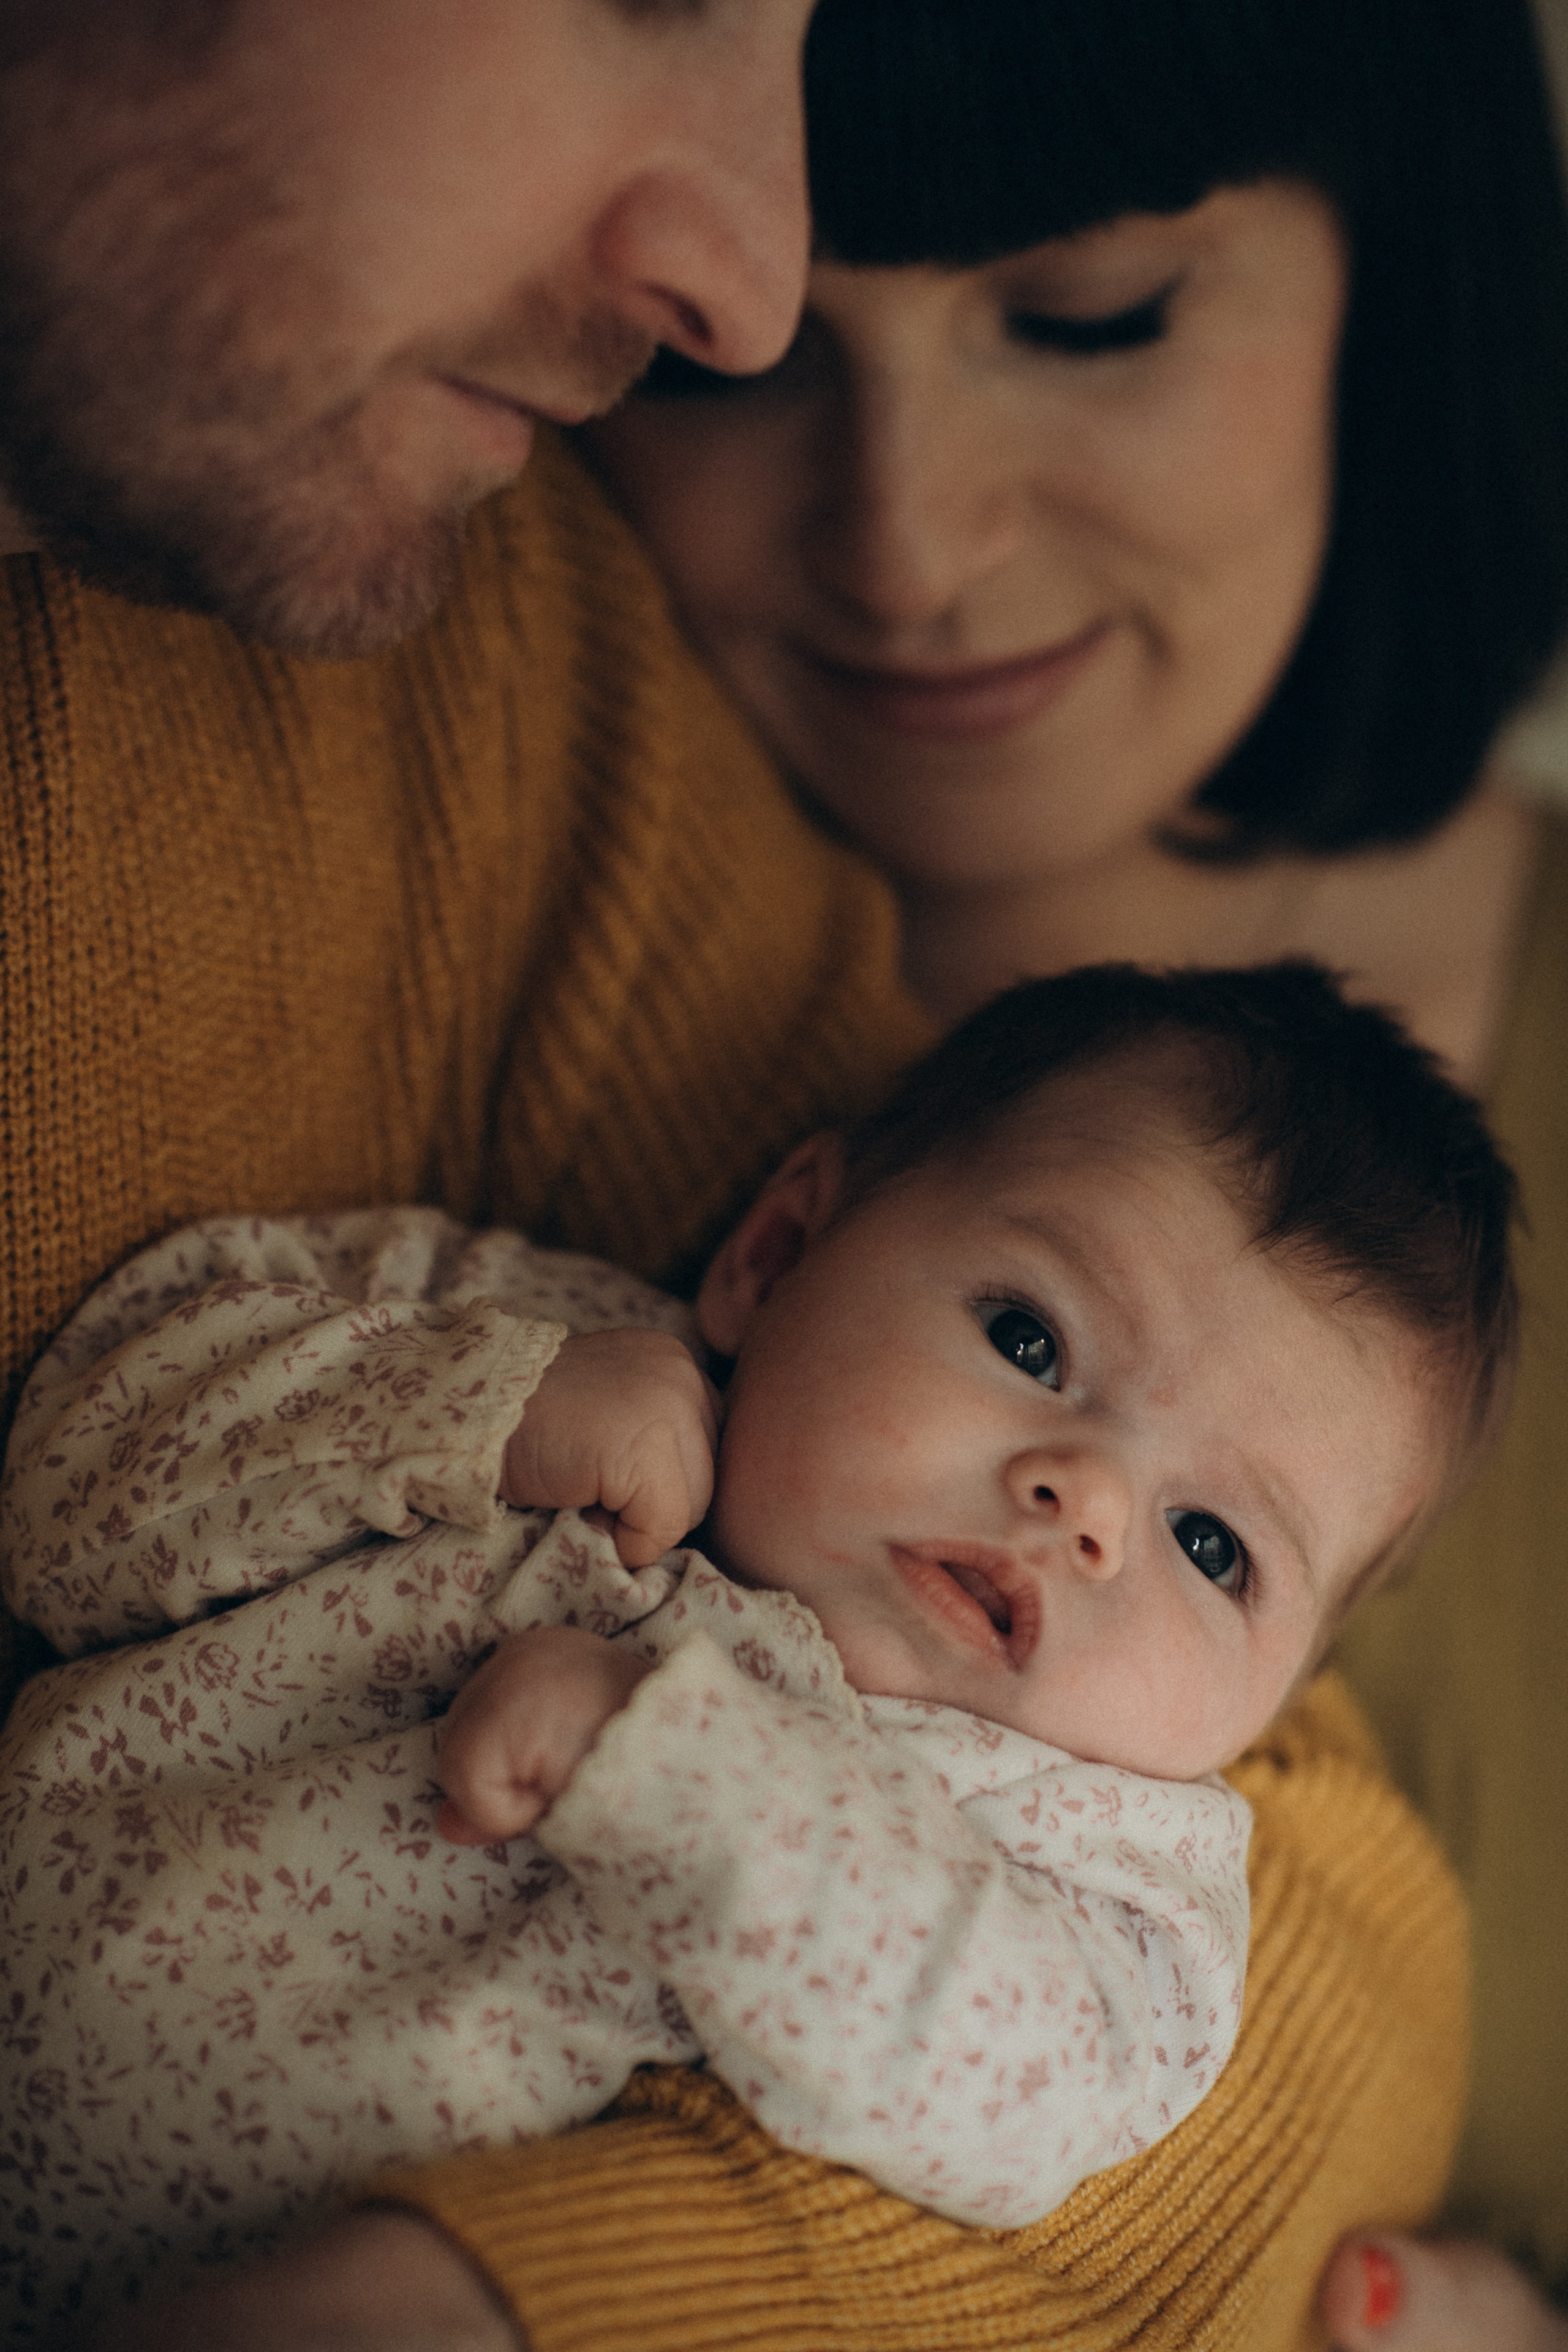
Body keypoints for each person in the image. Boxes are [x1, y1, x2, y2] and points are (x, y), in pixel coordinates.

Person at [0, 3, 1558, 2350]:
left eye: (1094, 315)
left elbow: (1166, 2028)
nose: (910, 553)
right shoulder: (469, 718)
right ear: (785, 1237)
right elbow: (123, 1445)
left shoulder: (1088, 1816)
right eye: (754, 368)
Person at [0, 962, 1512, 2339]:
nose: (1091, 1505)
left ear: (1275, 1702)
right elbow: (67, 1491)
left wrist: (668, 1769)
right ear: (779, 1252)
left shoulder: (1109, 1868)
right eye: (1029, 1341)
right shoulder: (535, 1334)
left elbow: (1004, 2096)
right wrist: (481, 1410)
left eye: (1212, 1546)